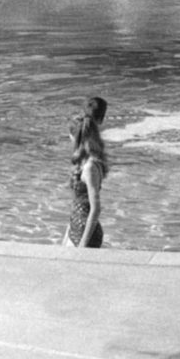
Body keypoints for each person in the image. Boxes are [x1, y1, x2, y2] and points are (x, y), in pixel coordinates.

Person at [63, 95, 108, 249]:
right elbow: (76, 204)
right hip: (75, 228)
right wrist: (66, 236)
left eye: (69, 135)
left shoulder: (90, 167)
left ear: (76, 138)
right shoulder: (81, 163)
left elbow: (95, 209)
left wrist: (82, 246)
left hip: (87, 234)